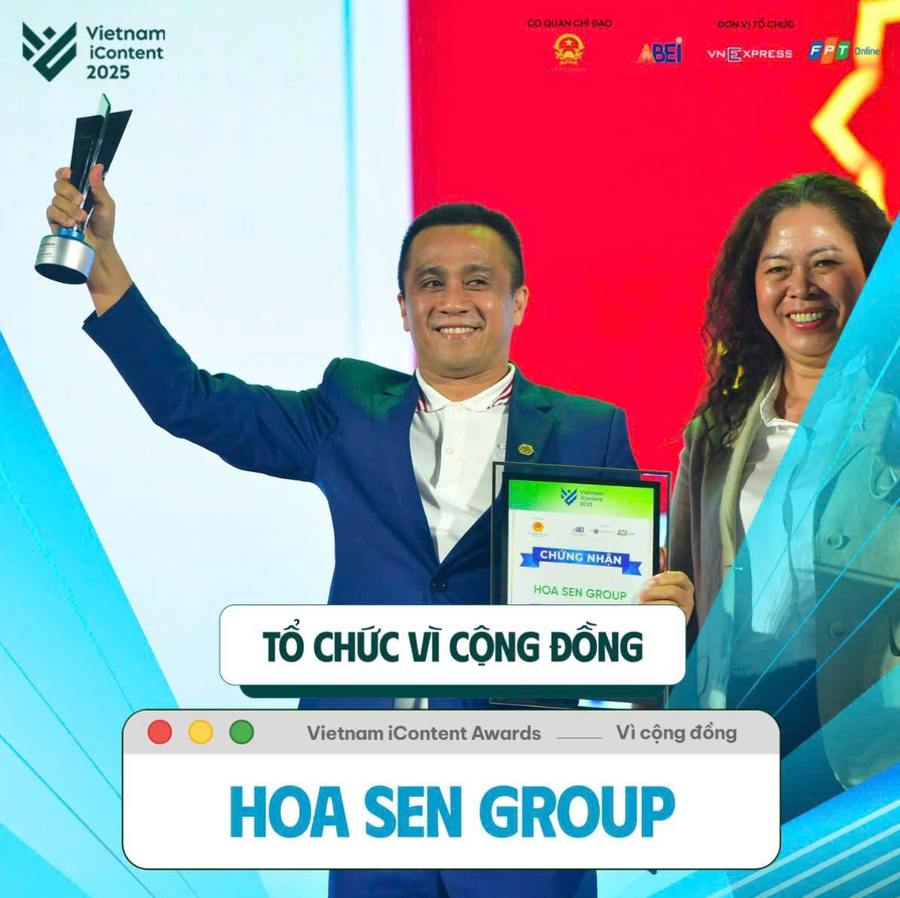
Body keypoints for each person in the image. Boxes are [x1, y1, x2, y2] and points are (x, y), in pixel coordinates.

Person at [47, 164, 694, 898]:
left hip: (526, 811)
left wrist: (654, 624)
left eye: (478, 281)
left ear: (519, 300)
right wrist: (103, 263)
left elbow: (613, 626)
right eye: (431, 282)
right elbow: (192, 403)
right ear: (403, 306)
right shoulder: (349, 407)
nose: (453, 300)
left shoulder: (587, 430)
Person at [669, 172, 899, 819]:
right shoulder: (715, 432)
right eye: (777, 269)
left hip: (867, 742)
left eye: (825, 263)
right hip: (733, 731)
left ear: (873, 274)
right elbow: (681, 600)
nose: (801, 288)